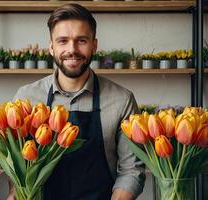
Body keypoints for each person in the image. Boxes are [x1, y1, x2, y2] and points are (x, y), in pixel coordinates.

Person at [8, 3, 145, 200]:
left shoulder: (121, 100)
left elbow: (131, 170)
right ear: (51, 47)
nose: (72, 50)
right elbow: (15, 164)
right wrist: (15, 193)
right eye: (62, 41)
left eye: (81, 40)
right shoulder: (26, 99)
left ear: (94, 45)